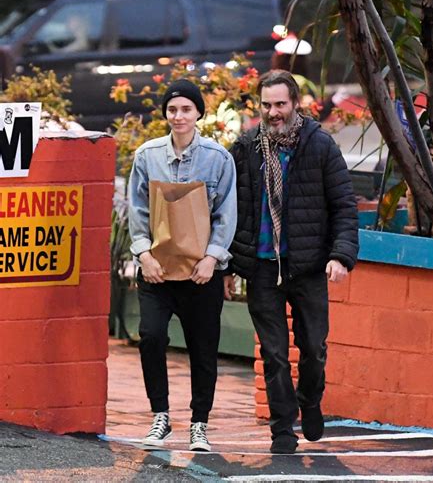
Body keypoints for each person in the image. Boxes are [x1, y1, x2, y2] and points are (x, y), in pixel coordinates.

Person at [223, 69, 359, 454]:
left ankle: (310, 400)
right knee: (274, 354)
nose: (273, 112)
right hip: (263, 267)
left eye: (280, 104)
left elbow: (343, 206)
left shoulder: (319, 145)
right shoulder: (247, 147)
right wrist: (231, 265)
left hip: (308, 266)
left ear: (295, 103)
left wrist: (341, 256)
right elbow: (233, 210)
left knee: (313, 348)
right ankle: (283, 429)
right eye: (266, 105)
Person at [128, 79, 237, 452]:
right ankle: (160, 415)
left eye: (186, 109)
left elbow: (226, 214)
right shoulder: (147, 156)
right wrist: (144, 254)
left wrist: (212, 258)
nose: (178, 116)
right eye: (172, 109)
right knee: (152, 335)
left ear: (199, 113)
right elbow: (138, 210)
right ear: (165, 114)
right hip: (157, 270)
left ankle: (199, 423)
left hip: (200, 273)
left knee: (204, 348)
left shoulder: (218, 158)